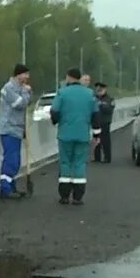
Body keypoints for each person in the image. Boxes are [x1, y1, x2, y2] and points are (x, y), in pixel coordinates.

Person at [50, 68, 97, 205]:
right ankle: (78, 197)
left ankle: (64, 196)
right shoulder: (89, 94)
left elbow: (55, 111)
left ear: (69, 77)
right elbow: (95, 115)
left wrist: (56, 121)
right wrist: (97, 133)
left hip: (65, 134)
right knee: (80, 163)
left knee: (65, 163)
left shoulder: (62, 92)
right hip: (82, 134)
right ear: (80, 78)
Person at [0, 64, 31, 199]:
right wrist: (26, 92)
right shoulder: (8, 88)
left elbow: (26, 102)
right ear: (18, 74)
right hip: (9, 128)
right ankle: (5, 188)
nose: (27, 77)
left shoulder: (20, 88)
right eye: (25, 74)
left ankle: (11, 186)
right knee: (11, 160)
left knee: (15, 160)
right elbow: (20, 104)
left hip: (17, 128)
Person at [92, 82, 115, 163]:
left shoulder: (110, 99)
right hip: (96, 122)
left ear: (104, 90)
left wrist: (101, 105)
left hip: (105, 122)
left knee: (105, 141)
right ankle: (97, 157)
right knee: (96, 139)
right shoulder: (94, 98)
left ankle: (107, 157)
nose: (99, 91)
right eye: (97, 90)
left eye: (100, 90)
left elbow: (109, 110)